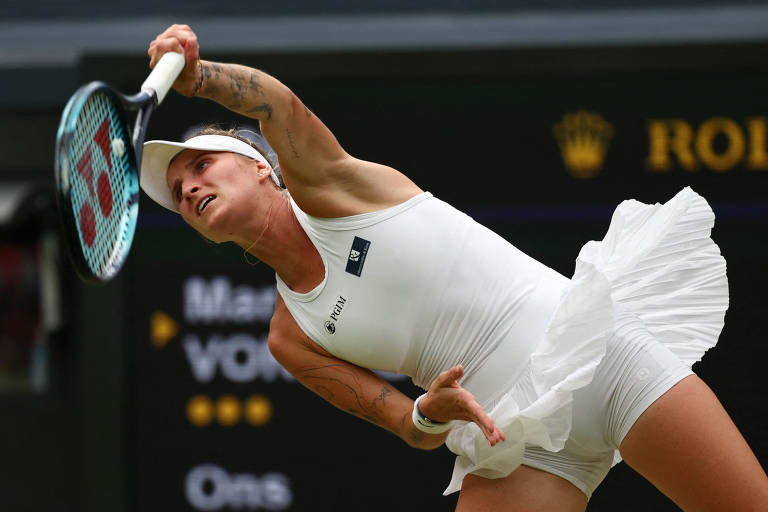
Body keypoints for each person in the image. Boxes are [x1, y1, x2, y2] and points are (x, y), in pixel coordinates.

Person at [141, 24, 768, 511]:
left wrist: (201, 77)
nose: (190, 187)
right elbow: (404, 425)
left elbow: (276, 107)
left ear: (259, 165)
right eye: (178, 192)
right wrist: (428, 413)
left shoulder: (335, 189)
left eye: (200, 165)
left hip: (605, 359)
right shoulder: (289, 336)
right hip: (514, 442)